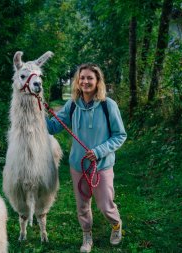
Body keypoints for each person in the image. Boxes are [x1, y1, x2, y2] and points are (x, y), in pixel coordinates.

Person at [46, 63, 127, 252]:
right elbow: (52, 127)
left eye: (90, 78)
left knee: (105, 205)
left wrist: (99, 151)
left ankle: (116, 225)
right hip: (78, 165)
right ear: (77, 81)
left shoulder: (108, 105)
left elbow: (120, 135)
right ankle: (87, 235)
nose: (85, 81)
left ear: (98, 81)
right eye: (82, 78)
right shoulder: (72, 104)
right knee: (82, 205)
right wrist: (36, 113)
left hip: (102, 165)